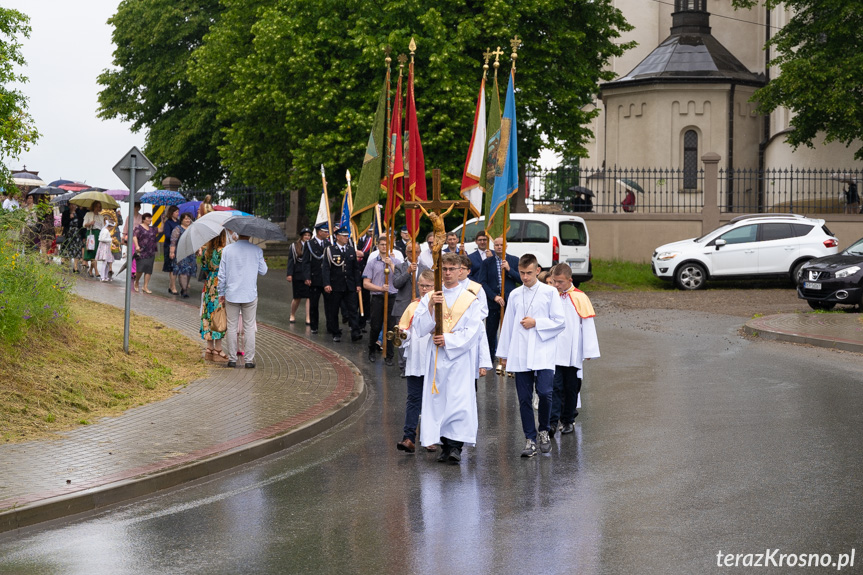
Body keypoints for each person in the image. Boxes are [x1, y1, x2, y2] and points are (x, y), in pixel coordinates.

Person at [413, 252, 487, 463]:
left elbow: (474, 332)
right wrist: (429, 306)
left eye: (451, 269)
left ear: (460, 271)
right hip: (436, 356)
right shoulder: (431, 296)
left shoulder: (470, 299)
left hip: (459, 357)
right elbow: (418, 328)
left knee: (458, 400)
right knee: (439, 401)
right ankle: (445, 444)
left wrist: (449, 340)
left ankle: (456, 446)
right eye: (443, 269)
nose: (447, 273)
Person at [496, 253, 566, 458]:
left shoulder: (549, 293)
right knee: (524, 398)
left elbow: (560, 321)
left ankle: (543, 430)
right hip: (520, 352)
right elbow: (508, 324)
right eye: (521, 273)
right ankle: (530, 439)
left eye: (528, 273)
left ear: (537, 270)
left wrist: (537, 323)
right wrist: (504, 354)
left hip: (543, 350)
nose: (525, 277)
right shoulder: (516, 294)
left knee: (545, 393)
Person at [549, 263, 600, 436]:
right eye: (555, 281)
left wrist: (589, 350)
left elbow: (586, 324)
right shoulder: (551, 295)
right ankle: (552, 421)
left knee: (571, 387)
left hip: (572, 351)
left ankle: (568, 420)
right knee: (554, 387)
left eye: (560, 282)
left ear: (570, 280)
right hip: (554, 350)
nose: (557, 285)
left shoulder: (580, 297)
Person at [395, 269, 436, 454]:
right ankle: (409, 437)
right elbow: (405, 331)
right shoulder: (413, 306)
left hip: (434, 361)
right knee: (413, 399)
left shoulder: (441, 307)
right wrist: (402, 334)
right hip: (416, 360)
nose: (424, 289)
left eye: (428, 286)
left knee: (432, 401)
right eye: (422, 285)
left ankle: (431, 438)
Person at [218, 232, 268, 368]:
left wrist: (220, 292)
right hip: (249, 293)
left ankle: (232, 359)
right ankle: (249, 360)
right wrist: (263, 261)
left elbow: (221, 274)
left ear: (237, 234)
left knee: (232, 326)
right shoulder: (257, 250)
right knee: (249, 327)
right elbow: (263, 271)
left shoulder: (227, 250)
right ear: (250, 235)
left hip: (232, 293)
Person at [477, 236, 521, 360]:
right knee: (491, 331)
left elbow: (521, 279)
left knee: (511, 330)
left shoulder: (513, 260)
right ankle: (490, 358)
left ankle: (511, 357)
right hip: (493, 302)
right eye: (496, 245)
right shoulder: (487, 262)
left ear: (506, 246)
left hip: (509, 301)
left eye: (501, 245)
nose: (499, 247)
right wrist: (494, 296)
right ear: (493, 246)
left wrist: (509, 269)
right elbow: (482, 282)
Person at [363, 236, 404, 364]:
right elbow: (366, 283)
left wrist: (391, 264)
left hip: (392, 297)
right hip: (377, 297)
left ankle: (390, 355)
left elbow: (400, 279)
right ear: (378, 246)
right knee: (375, 325)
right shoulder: (372, 263)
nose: (384, 247)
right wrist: (380, 288)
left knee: (391, 327)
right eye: (381, 244)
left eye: (386, 245)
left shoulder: (396, 262)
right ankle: (371, 350)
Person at [392, 239, 429, 371]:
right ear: (405, 252)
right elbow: (396, 284)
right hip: (403, 307)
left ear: (419, 253)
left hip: (420, 306)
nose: (413, 254)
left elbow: (429, 288)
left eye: (416, 252)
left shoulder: (425, 269)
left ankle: (417, 363)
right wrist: (408, 272)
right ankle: (403, 366)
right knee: (402, 336)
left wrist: (419, 298)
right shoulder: (399, 267)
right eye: (409, 251)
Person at [321, 226, 363, 343]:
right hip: (335, 285)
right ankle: (336, 332)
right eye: (344, 236)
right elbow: (326, 269)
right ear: (337, 237)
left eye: (347, 236)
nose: (346, 238)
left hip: (349, 285)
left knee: (353, 309)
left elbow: (355, 268)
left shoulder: (350, 250)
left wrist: (358, 284)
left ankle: (355, 332)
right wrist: (327, 284)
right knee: (334, 310)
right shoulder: (330, 250)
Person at [201, 230, 229, 363]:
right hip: (220, 284)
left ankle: (209, 349)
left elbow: (204, 268)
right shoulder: (223, 251)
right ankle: (218, 349)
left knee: (208, 314)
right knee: (219, 315)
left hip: (209, 284)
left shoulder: (207, 251)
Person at [302, 222, 330, 334]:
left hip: (327, 279)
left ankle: (330, 326)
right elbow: (306, 262)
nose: (327, 233)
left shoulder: (328, 244)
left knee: (329, 304)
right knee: (314, 304)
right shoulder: (310, 244)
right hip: (314, 278)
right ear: (319, 232)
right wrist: (307, 276)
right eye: (325, 231)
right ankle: (314, 326)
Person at [286, 227, 312, 324]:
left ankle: (308, 318)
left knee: (309, 297)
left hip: (309, 275)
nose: (307, 237)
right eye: (305, 235)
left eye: (309, 235)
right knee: (297, 297)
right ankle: (292, 314)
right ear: (301, 236)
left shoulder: (312, 246)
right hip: (298, 274)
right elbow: (291, 260)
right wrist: (289, 274)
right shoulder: (294, 246)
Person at [170, 212, 198, 298]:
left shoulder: (192, 229)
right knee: (182, 272)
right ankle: (184, 290)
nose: (187, 220)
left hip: (190, 254)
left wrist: (198, 250)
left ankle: (184, 288)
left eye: (189, 218)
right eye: (185, 218)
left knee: (189, 271)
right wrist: (172, 252)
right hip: (181, 253)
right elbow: (173, 242)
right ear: (181, 220)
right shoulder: (177, 229)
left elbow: (196, 240)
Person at [133, 213, 159, 294]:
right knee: (140, 269)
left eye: (151, 218)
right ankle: (136, 281)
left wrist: (163, 220)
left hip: (151, 251)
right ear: (144, 219)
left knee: (148, 269)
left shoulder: (152, 228)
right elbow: (134, 236)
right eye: (148, 218)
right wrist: (137, 246)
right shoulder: (139, 227)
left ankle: (145, 286)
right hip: (141, 251)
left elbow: (161, 229)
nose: (150, 219)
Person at [161, 205, 181, 294]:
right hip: (169, 246)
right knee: (172, 268)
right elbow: (168, 235)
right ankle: (173, 286)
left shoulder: (179, 222)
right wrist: (176, 236)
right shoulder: (168, 223)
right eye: (176, 212)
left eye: (178, 212)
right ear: (172, 213)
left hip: (178, 246)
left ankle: (171, 285)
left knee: (176, 267)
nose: (177, 213)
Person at [60, 203, 85, 273]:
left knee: (77, 249)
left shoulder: (79, 213)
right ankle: (67, 265)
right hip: (68, 234)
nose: (73, 206)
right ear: (68, 205)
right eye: (71, 205)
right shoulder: (65, 213)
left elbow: (82, 224)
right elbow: (63, 223)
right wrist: (69, 218)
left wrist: (83, 236)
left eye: (74, 205)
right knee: (68, 249)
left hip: (77, 234)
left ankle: (75, 267)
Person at [82, 201, 105, 278]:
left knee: (95, 253)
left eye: (99, 206)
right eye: (97, 206)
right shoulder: (88, 214)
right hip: (91, 234)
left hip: (98, 234)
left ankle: (91, 270)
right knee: (92, 252)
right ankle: (96, 270)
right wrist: (90, 223)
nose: (98, 208)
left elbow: (102, 227)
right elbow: (84, 225)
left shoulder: (101, 217)